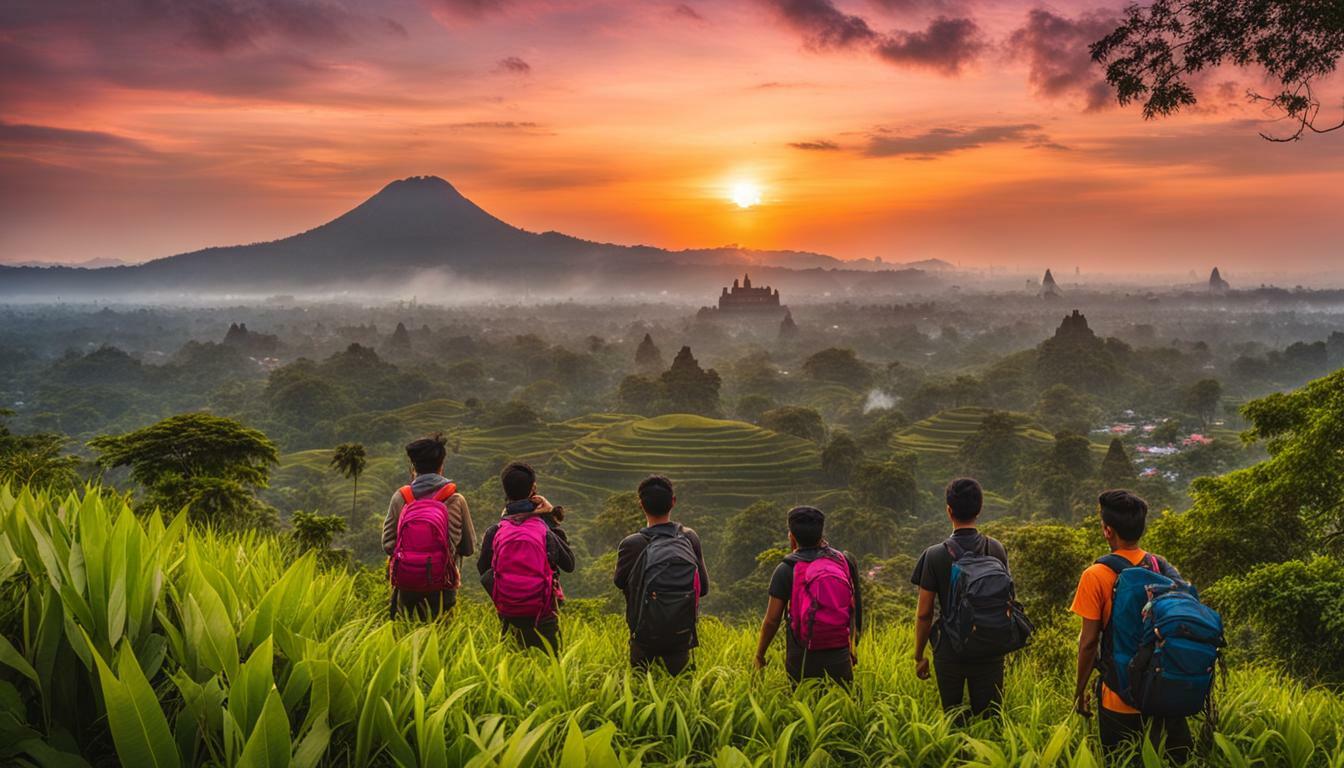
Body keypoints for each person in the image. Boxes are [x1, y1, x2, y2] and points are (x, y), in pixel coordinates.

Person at [1072, 490, 1193, 764]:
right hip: (1167, 690)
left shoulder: (1095, 575)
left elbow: (1089, 642)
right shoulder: (1160, 566)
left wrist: (1079, 692)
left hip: (1119, 695)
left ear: (1107, 531)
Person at [911, 477, 1012, 720]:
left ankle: (957, 757)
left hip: (950, 650)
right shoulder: (995, 548)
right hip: (990, 647)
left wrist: (919, 655)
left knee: (953, 718)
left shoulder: (934, 555)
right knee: (991, 720)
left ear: (949, 510)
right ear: (980, 509)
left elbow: (925, 613)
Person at [753, 506, 862, 685]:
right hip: (839, 652)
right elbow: (851, 606)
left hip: (802, 655)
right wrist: (851, 646)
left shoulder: (787, 569)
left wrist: (760, 655)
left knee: (804, 705)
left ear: (792, 537)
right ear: (821, 534)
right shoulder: (841, 561)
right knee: (842, 706)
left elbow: (772, 620)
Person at [614, 475, 710, 674]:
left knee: (640, 690)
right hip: (681, 633)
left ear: (641, 504)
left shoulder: (631, 544)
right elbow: (703, 589)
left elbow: (619, 582)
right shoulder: (689, 538)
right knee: (681, 691)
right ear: (673, 501)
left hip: (643, 633)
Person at [478, 461, 574, 651]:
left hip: (509, 612)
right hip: (543, 613)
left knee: (511, 666)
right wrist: (551, 519)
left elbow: (484, 571)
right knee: (550, 669)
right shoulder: (544, 530)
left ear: (505, 491)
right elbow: (569, 564)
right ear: (533, 490)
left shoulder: (495, 531)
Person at [382, 434, 475, 619]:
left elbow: (387, 544)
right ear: (442, 466)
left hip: (406, 585)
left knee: (406, 638)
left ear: (413, 467)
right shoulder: (456, 500)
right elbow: (469, 548)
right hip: (442, 587)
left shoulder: (401, 497)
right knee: (441, 642)